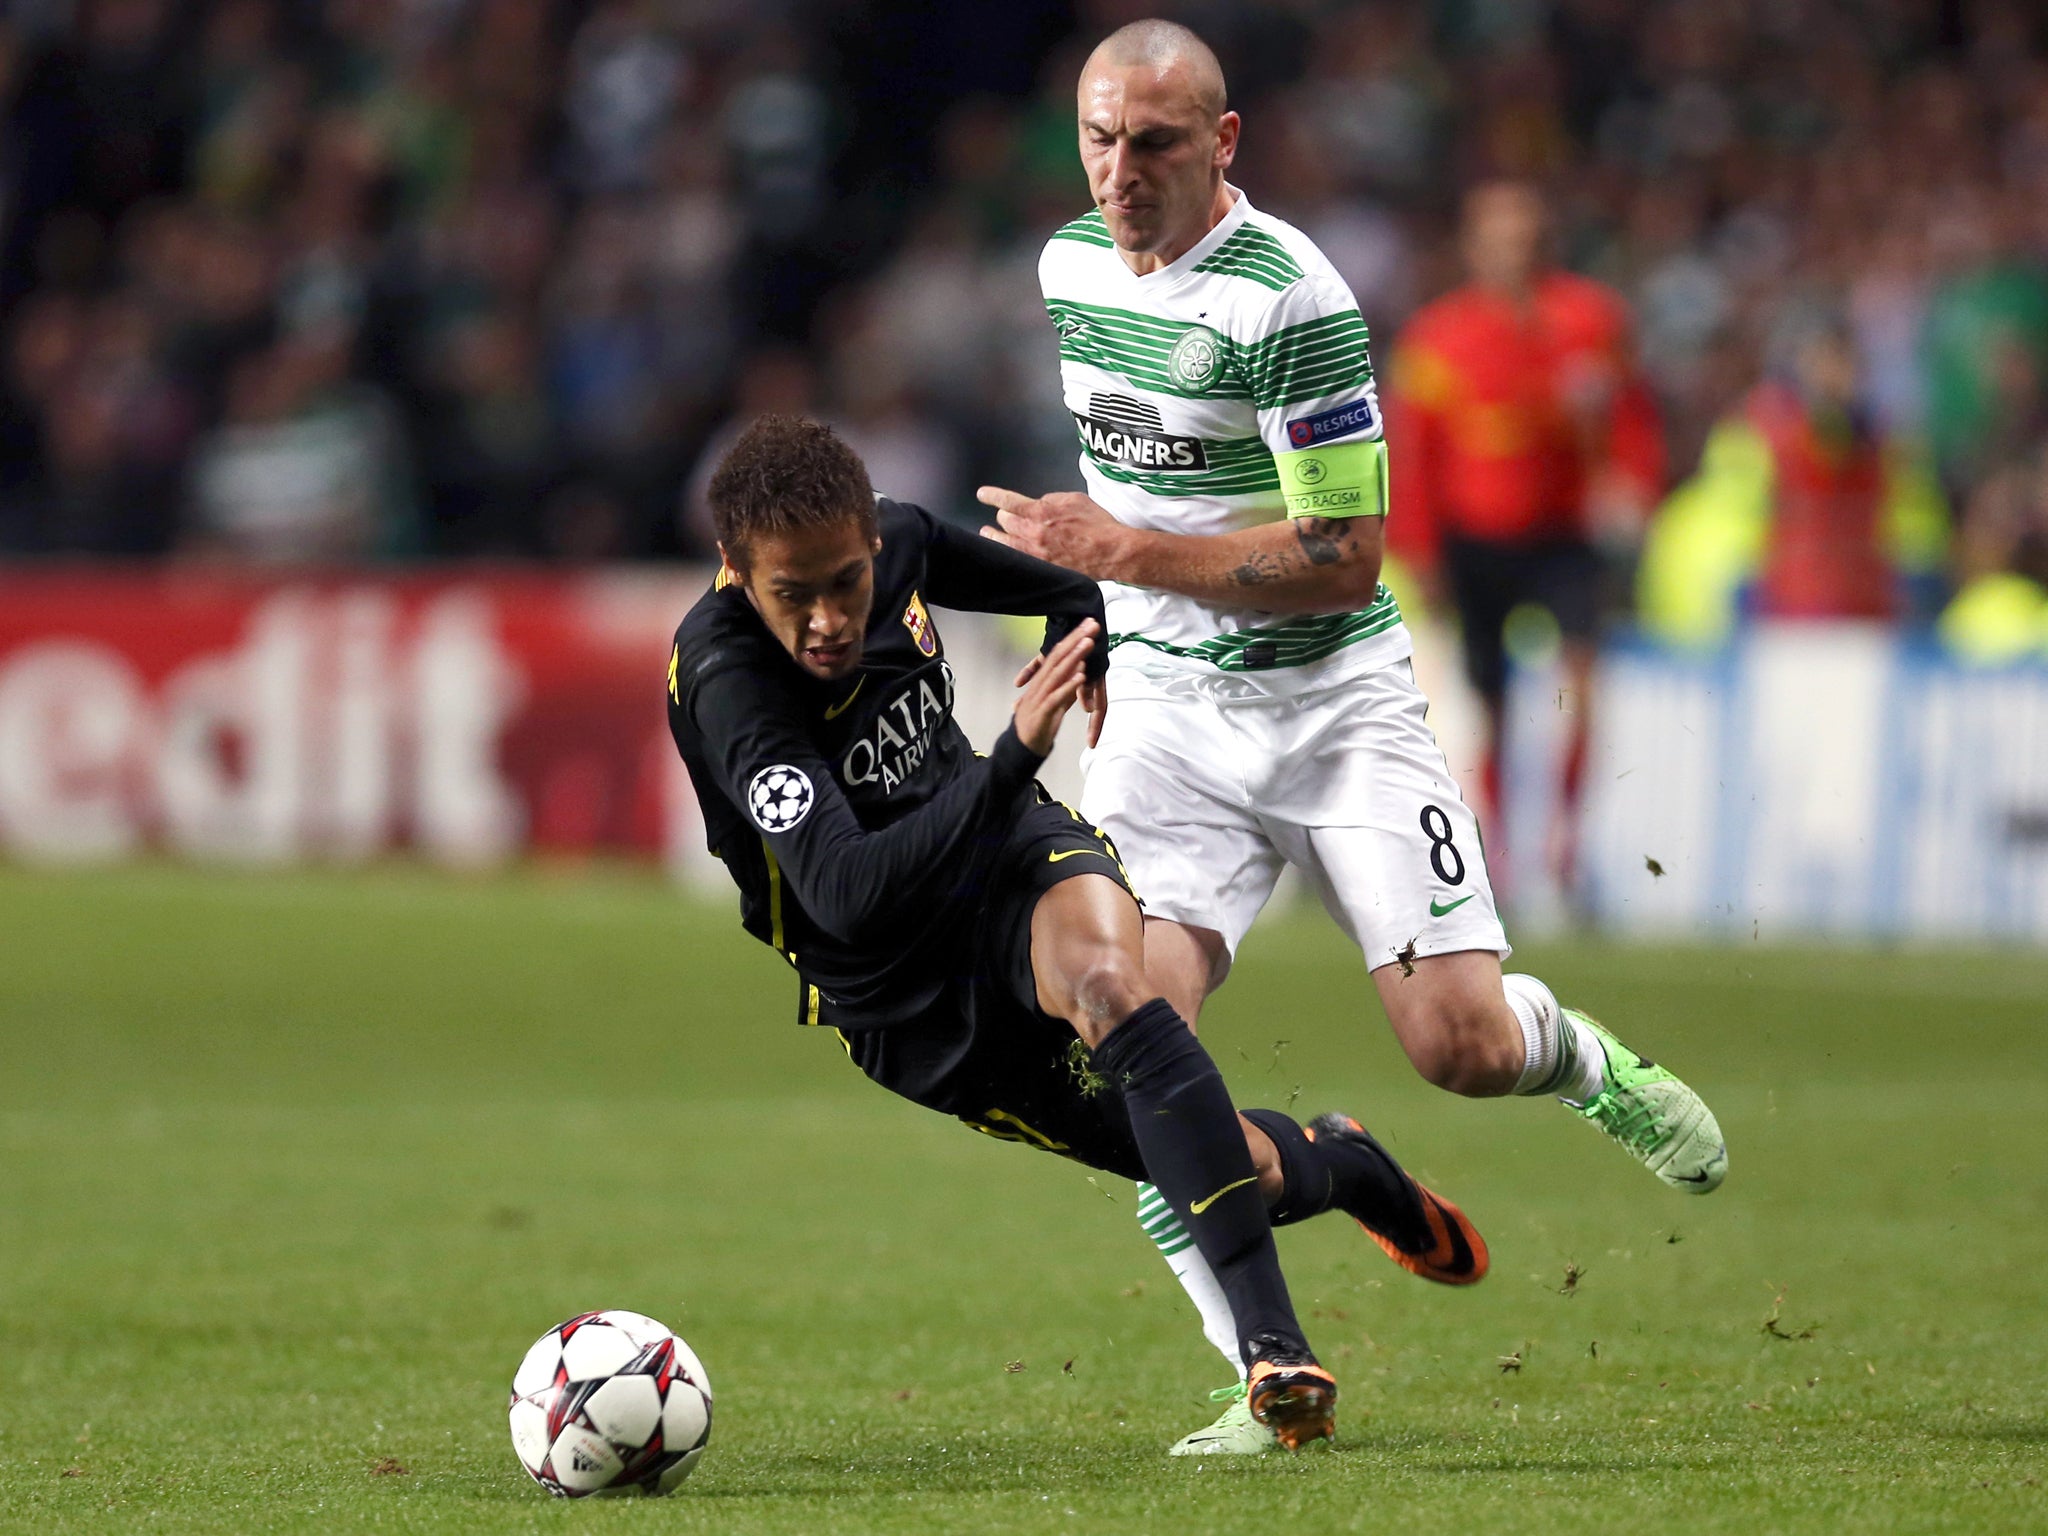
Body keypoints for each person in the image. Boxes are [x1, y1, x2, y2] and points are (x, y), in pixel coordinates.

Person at [976, 20, 1726, 1455]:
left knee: (1453, 1042)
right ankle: (1263, 1375)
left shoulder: (1292, 301)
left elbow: (1343, 555)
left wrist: (1124, 557)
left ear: (1225, 142)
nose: (1118, 174)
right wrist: (1105, 614)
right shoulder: (1070, 267)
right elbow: (1128, 485)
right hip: (1171, 722)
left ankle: (1580, 1062)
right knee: (1130, 1050)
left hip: (1333, 709)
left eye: (1154, 145)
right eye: (1097, 138)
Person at [666, 412, 1493, 1451]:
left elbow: (1068, 592)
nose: (829, 618)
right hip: (898, 994)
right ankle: (1346, 1166)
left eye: (847, 582)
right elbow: (843, 893)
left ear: (872, 546)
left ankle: (1271, 1349)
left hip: (1007, 860)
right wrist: (1010, 755)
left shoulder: (901, 540)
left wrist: (1077, 653)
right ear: (734, 572)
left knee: (1109, 986)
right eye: (795, 593)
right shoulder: (729, 685)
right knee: (1217, 1162)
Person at [1382, 179, 1664, 894]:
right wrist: (1420, 552)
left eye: (1527, 237)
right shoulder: (1437, 340)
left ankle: (1567, 844)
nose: (1515, 252)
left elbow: (1631, 415)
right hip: (1475, 542)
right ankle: (1501, 851)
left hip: (1566, 533)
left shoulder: (1591, 319)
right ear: (1474, 247)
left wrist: (1633, 481)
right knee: (1492, 702)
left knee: (1584, 681)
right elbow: (1412, 454)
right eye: (1500, 238)